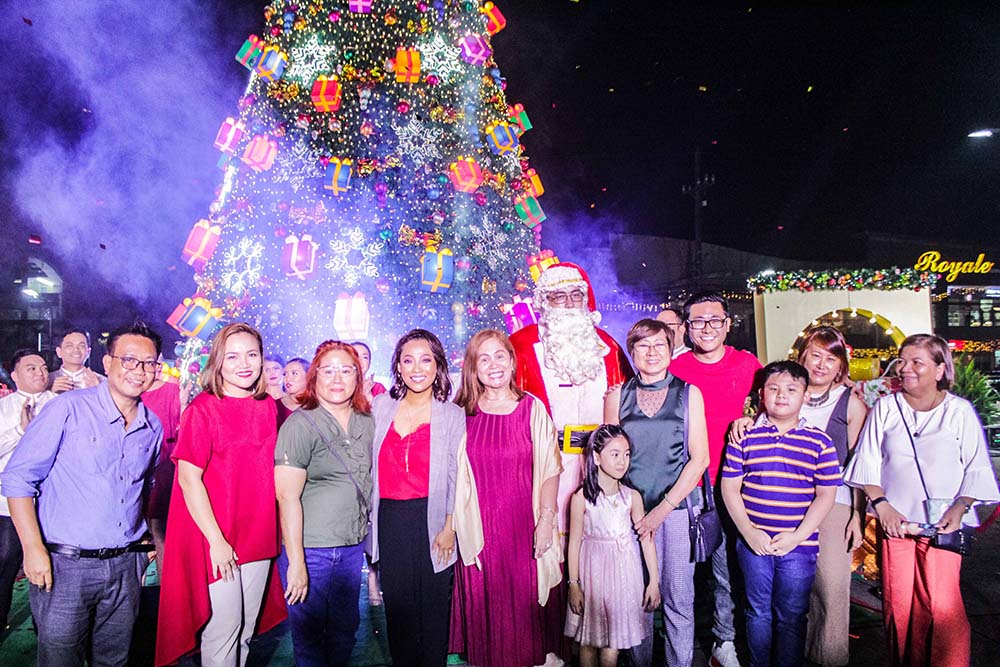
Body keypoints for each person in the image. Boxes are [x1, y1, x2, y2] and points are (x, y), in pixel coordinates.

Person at [2, 322, 163, 666]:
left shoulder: (152, 425)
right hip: (66, 567)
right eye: (130, 360)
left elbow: (143, 487)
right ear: (107, 363)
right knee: (61, 659)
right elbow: (18, 479)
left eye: (149, 363)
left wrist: (146, 546)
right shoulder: (67, 408)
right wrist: (32, 550)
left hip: (125, 566)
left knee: (114, 660)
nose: (139, 371)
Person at [844, 334, 1000, 667]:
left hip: (943, 525)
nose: (906, 368)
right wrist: (882, 505)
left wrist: (960, 508)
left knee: (942, 604)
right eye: (903, 360)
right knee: (898, 605)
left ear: (941, 369)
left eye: (918, 362)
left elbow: (976, 467)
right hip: (896, 523)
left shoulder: (959, 412)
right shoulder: (887, 407)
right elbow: (867, 460)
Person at [155, 323, 287, 667]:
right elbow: (188, 479)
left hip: (258, 533)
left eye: (252, 354)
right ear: (218, 361)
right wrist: (216, 540)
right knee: (224, 629)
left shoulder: (269, 408)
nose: (244, 363)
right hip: (218, 535)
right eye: (233, 356)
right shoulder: (203, 408)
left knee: (246, 631)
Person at [449, 329, 565, 667]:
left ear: (512, 361)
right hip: (479, 535)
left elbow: (550, 470)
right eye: (483, 358)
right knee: (490, 631)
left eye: (500, 355)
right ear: (473, 367)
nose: (493, 364)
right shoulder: (461, 415)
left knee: (529, 632)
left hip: (524, 533)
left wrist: (546, 521)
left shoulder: (532, 408)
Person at [370, 329, 482, 667]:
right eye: (408, 360)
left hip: (433, 520)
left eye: (426, 359)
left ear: (438, 367)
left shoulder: (451, 415)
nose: (417, 368)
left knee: (433, 612)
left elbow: (455, 475)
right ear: (398, 368)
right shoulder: (380, 407)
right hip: (390, 521)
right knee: (399, 611)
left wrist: (450, 526)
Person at [604, 319, 710, 667]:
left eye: (659, 345)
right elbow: (609, 459)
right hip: (630, 514)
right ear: (631, 352)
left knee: (678, 597)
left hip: (676, 512)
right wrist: (635, 513)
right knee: (638, 600)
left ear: (670, 349)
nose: (651, 353)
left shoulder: (689, 393)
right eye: (642, 346)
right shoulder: (618, 395)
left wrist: (661, 511)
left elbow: (700, 459)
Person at [721, 361, 841, 667]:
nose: (781, 396)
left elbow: (826, 495)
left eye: (791, 389)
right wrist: (749, 532)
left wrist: (797, 537)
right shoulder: (743, 437)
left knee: (792, 615)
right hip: (753, 543)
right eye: (773, 389)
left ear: (804, 396)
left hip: (799, 547)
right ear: (762, 394)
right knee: (757, 611)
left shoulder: (820, 441)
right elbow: (730, 488)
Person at [670, 290, 762, 667]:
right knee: (682, 572)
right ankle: (677, 641)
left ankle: (723, 642)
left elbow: (768, 405)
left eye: (714, 320)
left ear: (727, 325)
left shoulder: (748, 364)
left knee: (726, 570)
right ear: (687, 329)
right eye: (697, 322)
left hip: (733, 485)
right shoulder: (676, 368)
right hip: (686, 482)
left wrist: (751, 415)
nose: (706, 328)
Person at [509, 263, 633, 542]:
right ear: (544, 301)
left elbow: (630, 406)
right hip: (545, 465)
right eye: (558, 296)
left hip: (600, 464)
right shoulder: (521, 346)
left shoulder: (608, 347)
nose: (568, 303)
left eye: (575, 295)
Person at [275, 341, 373, 666]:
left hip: (350, 548)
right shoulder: (300, 425)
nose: (337, 378)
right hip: (311, 551)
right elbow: (287, 497)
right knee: (311, 642)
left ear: (358, 377)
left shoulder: (366, 421)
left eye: (346, 370)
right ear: (314, 377)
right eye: (328, 371)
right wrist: (297, 563)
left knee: (345, 633)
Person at [565, 424, 660, 667]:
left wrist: (654, 581)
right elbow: (574, 542)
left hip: (623, 575)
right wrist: (574, 584)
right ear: (596, 457)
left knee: (612, 646)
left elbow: (646, 540)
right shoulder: (580, 498)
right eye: (614, 454)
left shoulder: (632, 497)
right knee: (589, 641)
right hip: (593, 573)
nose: (622, 461)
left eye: (626, 454)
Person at [0, 349, 56, 632]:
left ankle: (44, 626)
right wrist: (20, 432)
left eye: (44, 367)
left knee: (49, 565)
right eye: (31, 368)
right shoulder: (4, 407)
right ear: (15, 375)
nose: (39, 373)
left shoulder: (59, 405)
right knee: (5, 565)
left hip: (49, 504)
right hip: (7, 506)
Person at [351, 341, 387, 605]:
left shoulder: (379, 390)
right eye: (355, 355)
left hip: (375, 466)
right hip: (347, 467)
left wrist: (370, 399)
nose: (360, 360)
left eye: (365, 356)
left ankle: (374, 580)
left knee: (373, 524)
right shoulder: (335, 386)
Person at [143, 361, 184, 580]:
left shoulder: (173, 389)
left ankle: (166, 590)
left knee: (160, 529)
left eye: (153, 362)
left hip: (164, 465)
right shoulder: (127, 391)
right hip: (132, 467)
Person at [47, 327, 105, 393]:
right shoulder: (47, 380)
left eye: (81, 346)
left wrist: (97, 392)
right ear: (59, 352)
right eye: (69, 346)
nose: (76, 350)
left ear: (88, 352)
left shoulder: (102, 381)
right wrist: (52, 395)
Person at [277, 357, 309, 428]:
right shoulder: (275, 406)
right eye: (285, 374)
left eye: (294, 373)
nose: (288, 378)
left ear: (308, 376)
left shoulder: (318, 406)